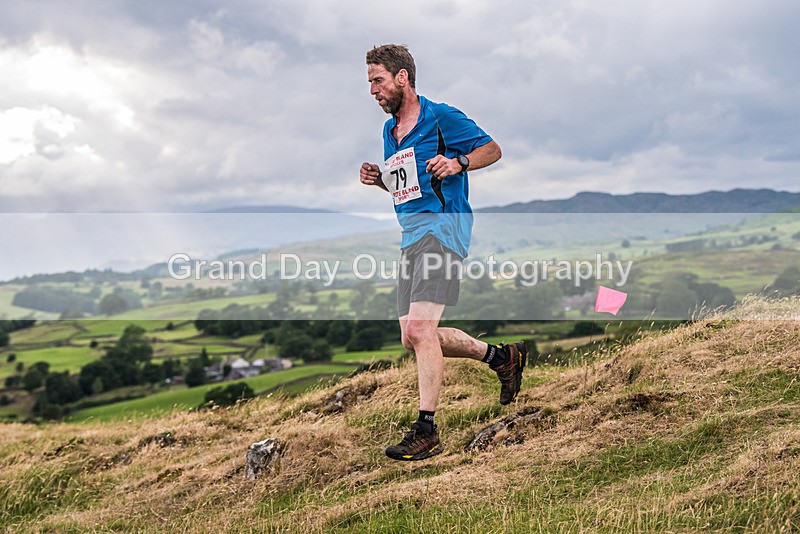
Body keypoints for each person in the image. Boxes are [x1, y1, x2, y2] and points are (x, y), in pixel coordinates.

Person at [360, 44, 527, 461]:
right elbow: (405, 186)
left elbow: (493, 149)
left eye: (378, 81)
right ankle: (502, 358)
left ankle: (426, 430)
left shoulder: (442, 117)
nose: (373, 90)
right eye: (370, 83)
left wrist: (459, 163)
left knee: (419, 331)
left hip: (444, 228)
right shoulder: (390, 132)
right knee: (413, 337)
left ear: (402, 78)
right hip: (412, 235)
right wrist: (379, 180)